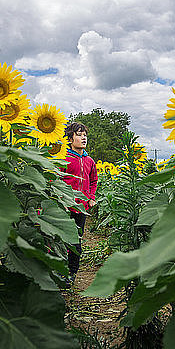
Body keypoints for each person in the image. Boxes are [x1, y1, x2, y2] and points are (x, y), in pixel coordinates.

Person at [61, 122, 98, 287]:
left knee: (76, 240)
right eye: (79, 134)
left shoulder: (89, 160)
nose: (83, 138)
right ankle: (58, 270)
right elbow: (56, 179)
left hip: (81, 207)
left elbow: (93, 180)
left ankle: (71, 273)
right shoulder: (64, 158)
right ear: (70, 139)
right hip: (64, 205)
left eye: (85, 135)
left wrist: (90, 196)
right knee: (61, 238)